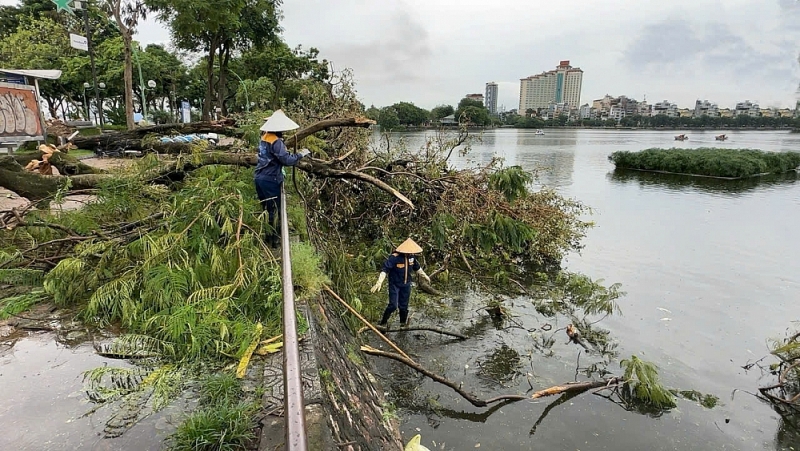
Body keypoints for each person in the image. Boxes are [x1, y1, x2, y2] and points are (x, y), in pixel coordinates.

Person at [254, 110, 311, 247]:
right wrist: (300, 155)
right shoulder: (276, 141)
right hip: (270, 179)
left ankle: (267, 236)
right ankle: (274, 241)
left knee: (266, 209)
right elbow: (286, 160)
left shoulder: (265, 137)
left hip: (259, 177)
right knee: (274, 210)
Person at [371, 238, 431, 327]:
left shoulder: (412, 257)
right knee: (393, 305)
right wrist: (379, 282)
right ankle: (383, 322)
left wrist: (425, 276)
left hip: (406, 285)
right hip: (395, 284)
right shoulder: (394, 257)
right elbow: (385, 269)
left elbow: (417, 268)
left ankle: (402, 324)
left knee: (404, 306)